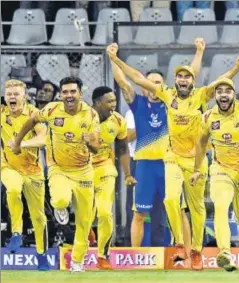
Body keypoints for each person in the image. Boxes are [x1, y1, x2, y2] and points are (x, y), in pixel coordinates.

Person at [107, 41, 239, 270]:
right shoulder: (166, 94)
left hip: (197, 160)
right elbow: (138, 78)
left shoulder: (201, 96)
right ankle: (180, 244)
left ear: (192, 80)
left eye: (187, 77)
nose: (183, 80)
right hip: (172, 157)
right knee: (170, 199)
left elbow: (220, 82)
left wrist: (236, 68)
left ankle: (197, 251)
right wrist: (116, 60)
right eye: (179, 77)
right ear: (176, 81)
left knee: (197, 207)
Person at [109, 39, 205, 250]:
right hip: (144, 165)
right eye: (150, 82)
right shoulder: (138, 103)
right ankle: (134, 256)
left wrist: (199, 51)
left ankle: (188, 254)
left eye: (158, 82)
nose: (153, 86)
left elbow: (192, 76)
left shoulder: (172, 102)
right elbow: (125, 81)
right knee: (139, 214)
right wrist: (113, 59)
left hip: (171, 163)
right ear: (144, 87)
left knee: (180, 212)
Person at [12, 76, 101, 273]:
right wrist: (18, 141)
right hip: (58, 168)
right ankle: (61, 207)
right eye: (65, 92)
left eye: (73, 92)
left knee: (84, 222)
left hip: (84, 172)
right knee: (60, 200)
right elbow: (32, 120)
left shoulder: (91, 114)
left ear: (80, 93)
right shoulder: (52, 109)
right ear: (61, 94)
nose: (69, 95)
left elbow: (97, 147)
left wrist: (90, 143)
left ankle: (77, 261)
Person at [190, 78, 239, 272]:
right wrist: (196, 169)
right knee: (221, 206)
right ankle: (225, 252)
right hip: (220, 170)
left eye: (228, 91)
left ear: (234, 95)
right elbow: (201, 144)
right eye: (219, 91)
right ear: (215, 96)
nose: (223, 94)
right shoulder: (208, 117)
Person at [1, 79, 48, 271]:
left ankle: (41, 255)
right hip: (8, 167)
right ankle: (17, 232)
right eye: (9, 94)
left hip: (33, 171)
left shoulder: (34, 114)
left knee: (39, 217)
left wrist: (22, 144)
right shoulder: (2, 113)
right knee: (12, 189)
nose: (12, 97)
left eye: (16, 94)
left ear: (24, 96)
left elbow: (43, 138)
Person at [89, 86, 136, 269]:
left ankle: (102, 255)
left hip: (105, 168)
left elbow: (123, 148)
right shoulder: (82, 118)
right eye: (109, 102)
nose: (113, 105)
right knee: (85, 215)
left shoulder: (118, 120)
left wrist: (128, 174)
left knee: (105, 212)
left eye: (115, 101)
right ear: (97, 103)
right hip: (81, 168)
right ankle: (88, 235)